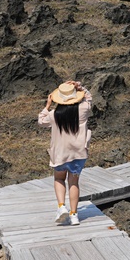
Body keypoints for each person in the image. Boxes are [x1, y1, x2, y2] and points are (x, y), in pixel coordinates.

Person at [38, 80, 92, 226]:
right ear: (75, 97)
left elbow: (41, 121)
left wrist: (47, 105)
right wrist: (79, 86)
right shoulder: (83, 109)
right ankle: (74, 215)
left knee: (59, 179)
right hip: (78, 154)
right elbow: (89, 97)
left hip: (60, 154)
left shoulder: (54, 114)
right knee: (74, 182)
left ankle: (61, 206)